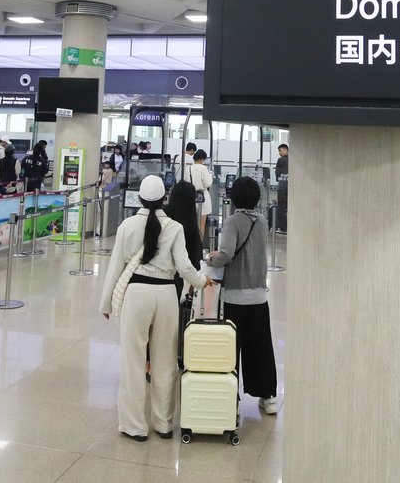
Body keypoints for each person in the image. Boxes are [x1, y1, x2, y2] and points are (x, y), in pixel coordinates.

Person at [99, 175, 211, 441]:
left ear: (139, 198)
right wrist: (202, 281)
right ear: (164, 199)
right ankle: (163, 424)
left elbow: (115, 266)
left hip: (136, 294)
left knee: (134, 361)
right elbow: (184, 266)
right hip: (165, 296)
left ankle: (134, 426)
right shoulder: (174, 227)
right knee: (165, 362)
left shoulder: (127, 225)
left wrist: (105, 303)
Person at [206, 176, 279, 415]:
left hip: (235, 296)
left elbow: (225, 254)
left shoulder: (232, 222)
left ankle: (230, 400)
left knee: (231, 349)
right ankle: (268, 397)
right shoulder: (262, 221)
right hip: (259, 295)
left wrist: (211, 258)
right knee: (260, 348)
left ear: (234, 197)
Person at [165, 181, 205, 298]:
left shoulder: (163, 215)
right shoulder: (190, 222)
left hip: (151, 276)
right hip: (173, 280)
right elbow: (194, 254)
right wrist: (197, 281)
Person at [186, 149, 214, 238]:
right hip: (202, 198)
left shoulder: (188, 168)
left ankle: (191, 246)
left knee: (191, 224)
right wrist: (211, 176)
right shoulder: (203, 168)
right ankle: (199, 247)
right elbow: (207, 183)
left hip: (191, 197)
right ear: (202, 159)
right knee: (201, 225)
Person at [274, 144, 289, 235]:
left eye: (280, 150)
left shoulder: (281, 160)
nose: (279, 153)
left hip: (282, 187)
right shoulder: (293, 160)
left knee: (281, 207)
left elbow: (277, 174)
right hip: (290, 186)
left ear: (285, 149)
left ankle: (283, 228)